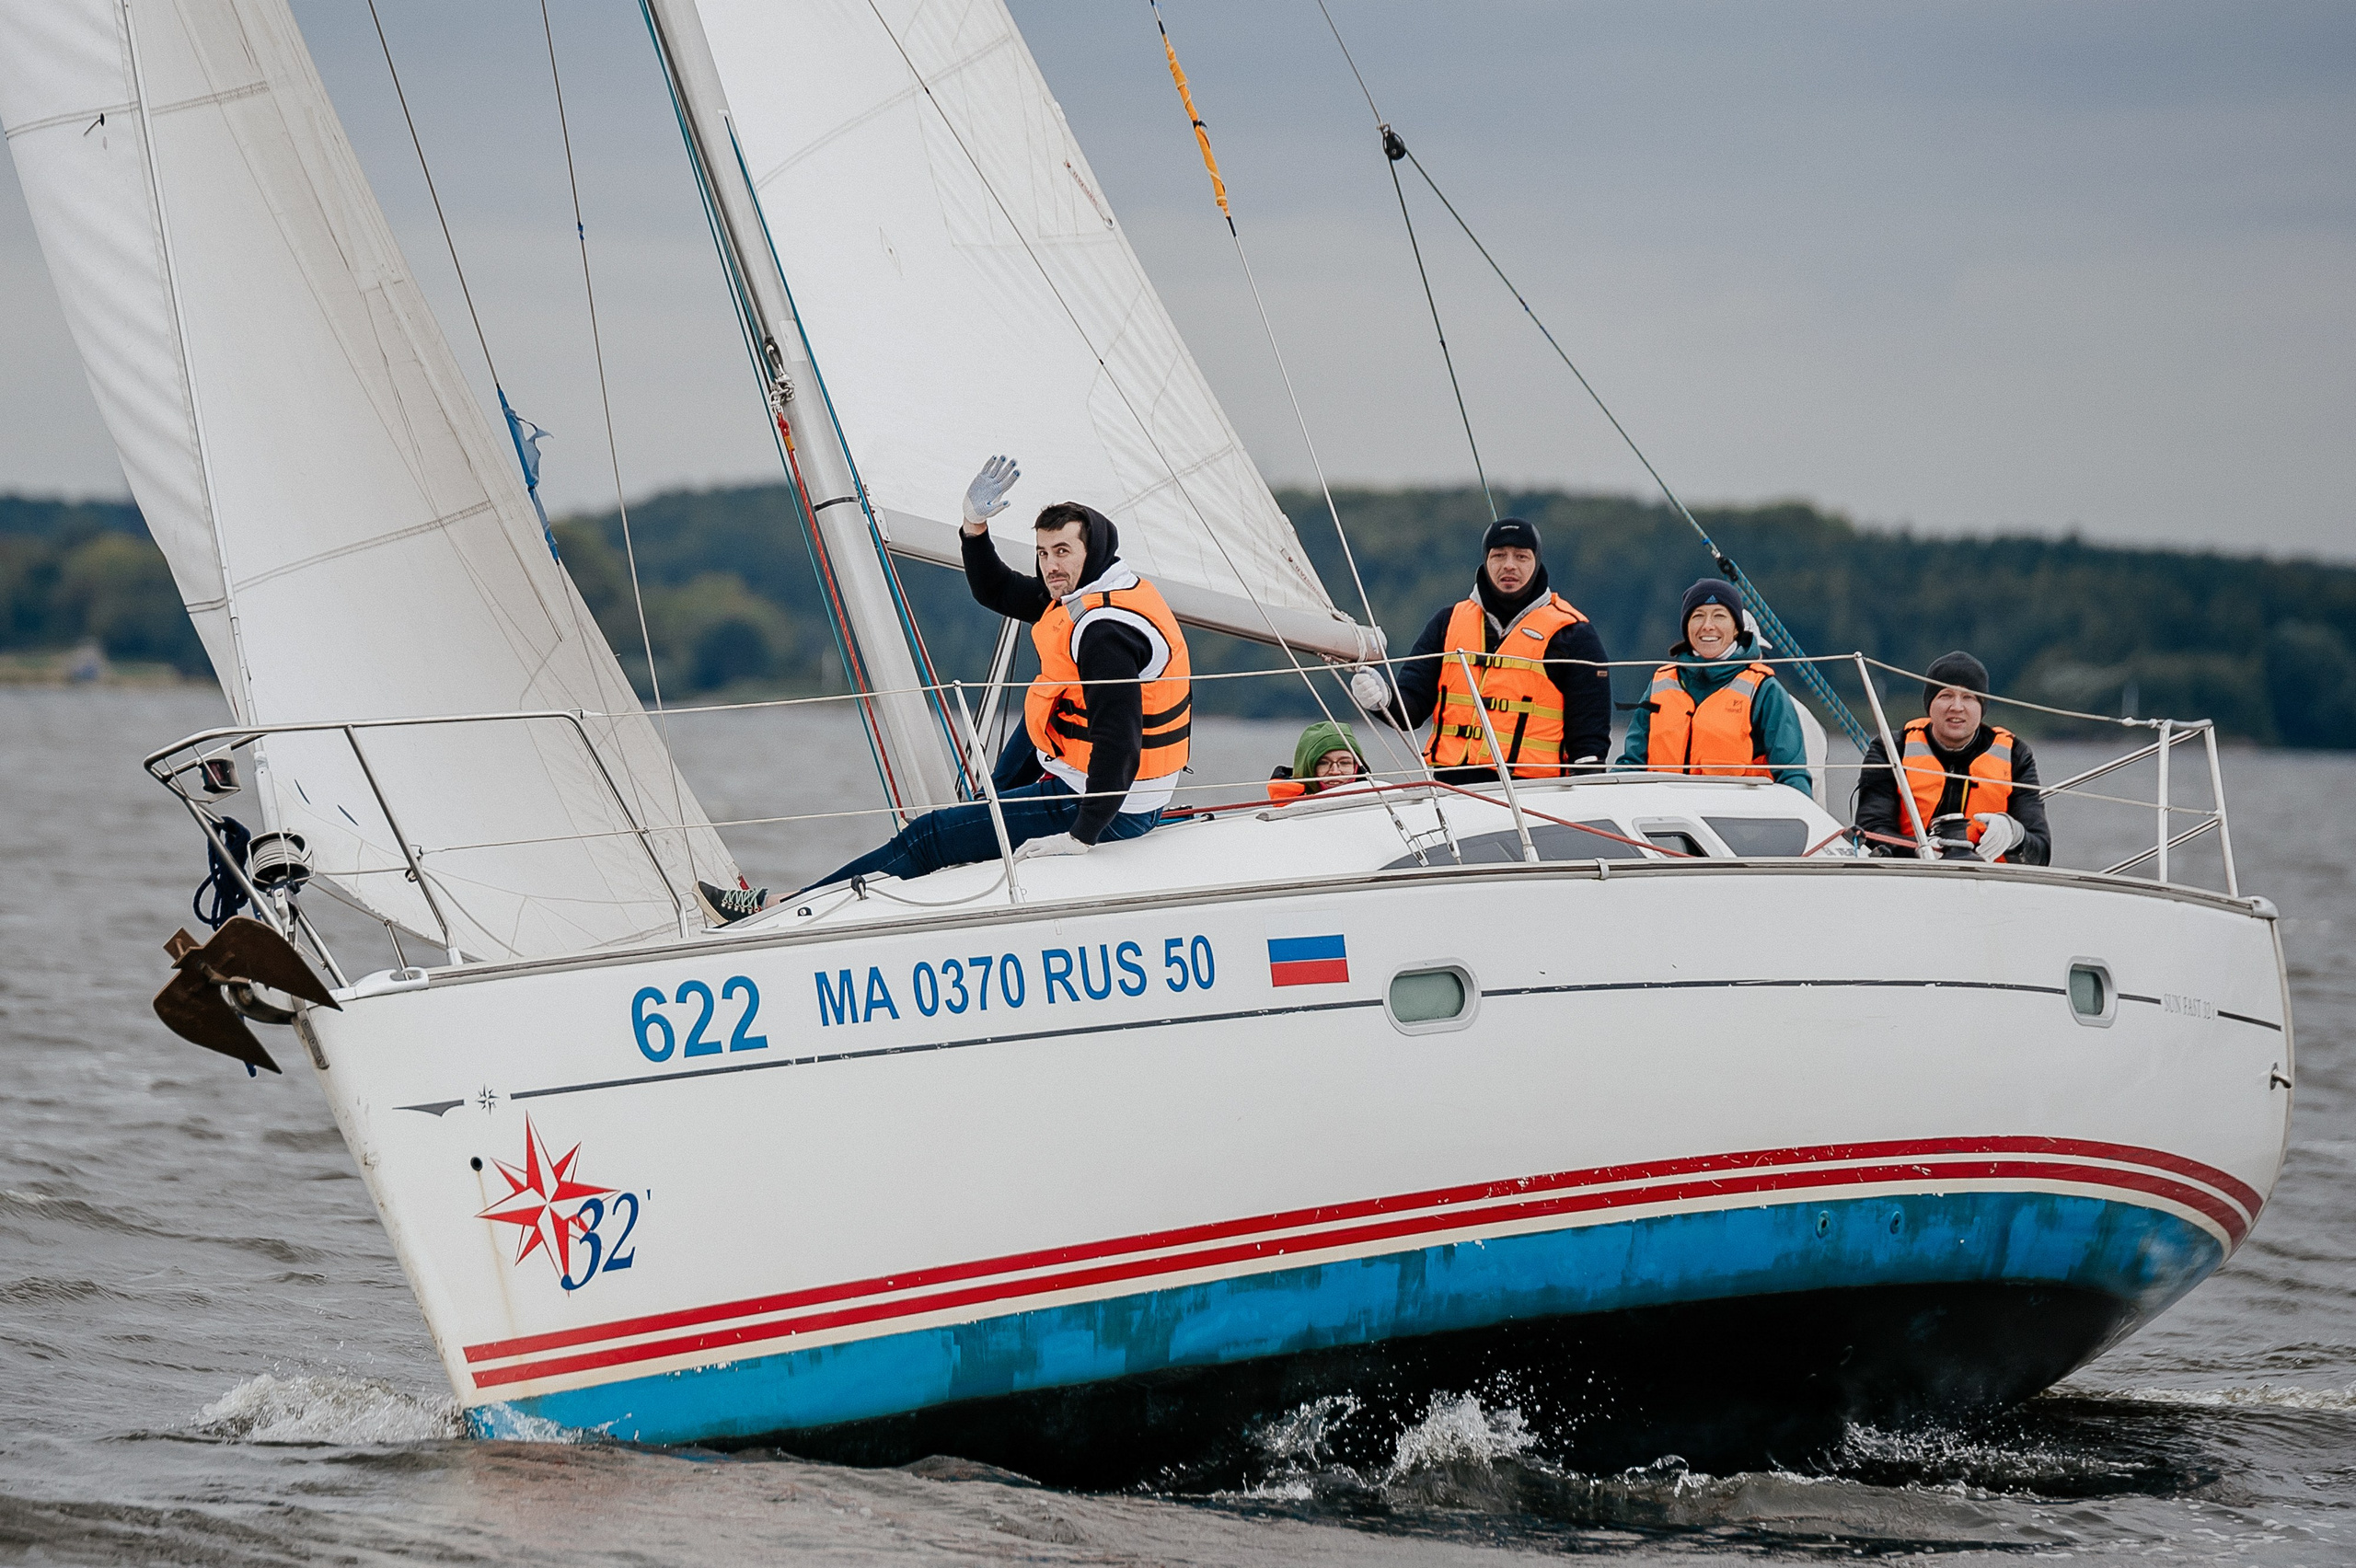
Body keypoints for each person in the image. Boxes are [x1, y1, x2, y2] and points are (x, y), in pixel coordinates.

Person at [696, 455, 1191, 923]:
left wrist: (1081, 835)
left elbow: (1118, 740)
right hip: (1116, 782)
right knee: (998, 782)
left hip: (1111, 804)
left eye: (1063, 551)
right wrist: (974, 526)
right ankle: (981, 818)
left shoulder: (1104, 633)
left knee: (930, 836)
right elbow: (998, 589)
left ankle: (782, 907)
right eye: (1043, 553)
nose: (1050, 566)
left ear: (1092, 551)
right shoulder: (1096, 588)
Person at [1348, 518, 1611, 783]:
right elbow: (1411, 711)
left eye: (1521, 556)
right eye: (1499, 555)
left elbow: (1589, 742)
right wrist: (1381, 699)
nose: (1509, 565)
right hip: (1452, 788)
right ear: (1486, 561)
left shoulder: (1573, 633)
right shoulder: (1447, 623)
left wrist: (1587, 782)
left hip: (1533, 791)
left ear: (1537, 562)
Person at [1614, 578, 1812, 797]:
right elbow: (1632, 763)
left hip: (1736, 814)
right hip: (1665, 811)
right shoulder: (1660, 683)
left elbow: (1792, 775)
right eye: (1698, 616)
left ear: (1736, 628)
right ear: (1686, 627)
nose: (1708, 625)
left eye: (1719, 616)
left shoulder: (1764, 689)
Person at [1853, 650, 2050, 864]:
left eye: (1968, 697)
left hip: (1988, 879)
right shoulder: (1891, 749)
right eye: (1945, 695)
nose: (1956, 707)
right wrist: (1920, 850)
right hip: (1911, 872)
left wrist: (2014, 834)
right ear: (1930, 704)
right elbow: (1870, 830)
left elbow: (2041, 852)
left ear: (1982, 707)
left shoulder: (2015, 755)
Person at [1267, 719, 1368, 801]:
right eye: (1323, 763)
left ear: (1357, 767)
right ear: (1306, 768)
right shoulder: (1284, 813)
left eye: (1345, 763)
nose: (1335, 772)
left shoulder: (1375, 805)